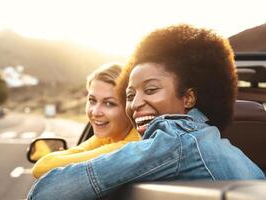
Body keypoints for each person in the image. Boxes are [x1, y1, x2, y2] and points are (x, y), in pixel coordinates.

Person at [28, 24, 265, 200]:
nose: (136, 103)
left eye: (151, 89)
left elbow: (47, 192)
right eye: (129, 95)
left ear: (189, 97)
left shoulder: (175, 141)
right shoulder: (213, 141)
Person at [31, 63, 141, 178]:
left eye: (109, 103)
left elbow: (41, 168)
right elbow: (43, 165)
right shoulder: (107, 138)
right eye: (92, 100)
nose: (95, 112)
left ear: (129, 107)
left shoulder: (129, 147)